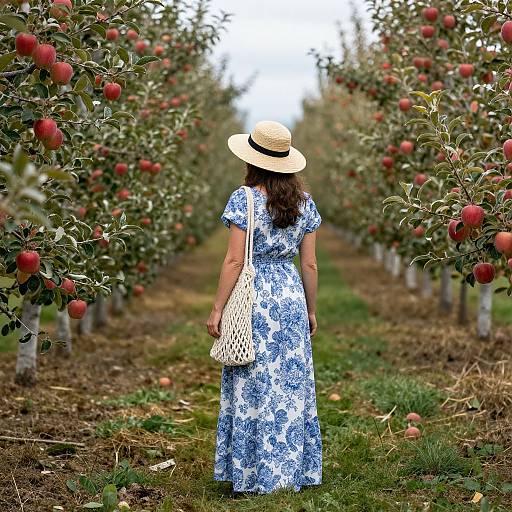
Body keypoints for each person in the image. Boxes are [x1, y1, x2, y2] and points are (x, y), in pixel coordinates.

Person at [206, 120, 322, 494]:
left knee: (251, 381)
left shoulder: (245, 199)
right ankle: (290, 472)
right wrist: (311, 310)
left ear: (252, 161)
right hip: (289, 295)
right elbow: (310, 264)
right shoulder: (305, 205)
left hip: (254, 298)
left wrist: (218, 307)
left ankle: (250, 472)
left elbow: (234, 261)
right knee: (290, 384)